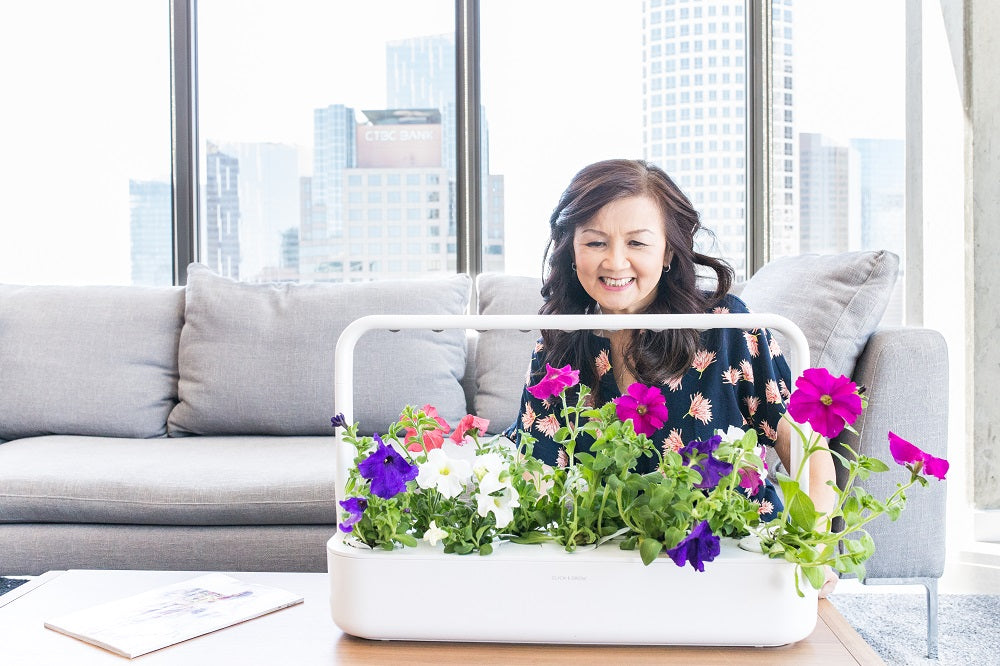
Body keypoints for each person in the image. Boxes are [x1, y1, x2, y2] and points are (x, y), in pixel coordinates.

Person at [504, 158, 838, 596]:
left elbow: (800, 444)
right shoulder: (561, 342)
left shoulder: (726, 325)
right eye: (595, 242)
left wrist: (810, 546)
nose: (615, 261)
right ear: (571, 251)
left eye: (637, 243)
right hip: (610, 570)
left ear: (668, 252)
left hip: (737, 561)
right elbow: (535, 469)